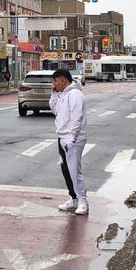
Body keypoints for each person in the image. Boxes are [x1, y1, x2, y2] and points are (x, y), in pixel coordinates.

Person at [50, 69, 88, 215]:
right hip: (62, 136)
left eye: (55, 81)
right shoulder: (63, 94)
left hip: (73, 138)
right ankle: (74, 198)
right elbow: (55, 110)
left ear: (63, 81)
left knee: (74, 170)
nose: (54, 84)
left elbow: (76, 117)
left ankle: (82, 200)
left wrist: (72, 138)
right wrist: (54, 94)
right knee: (65, 169)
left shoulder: (75, 94)